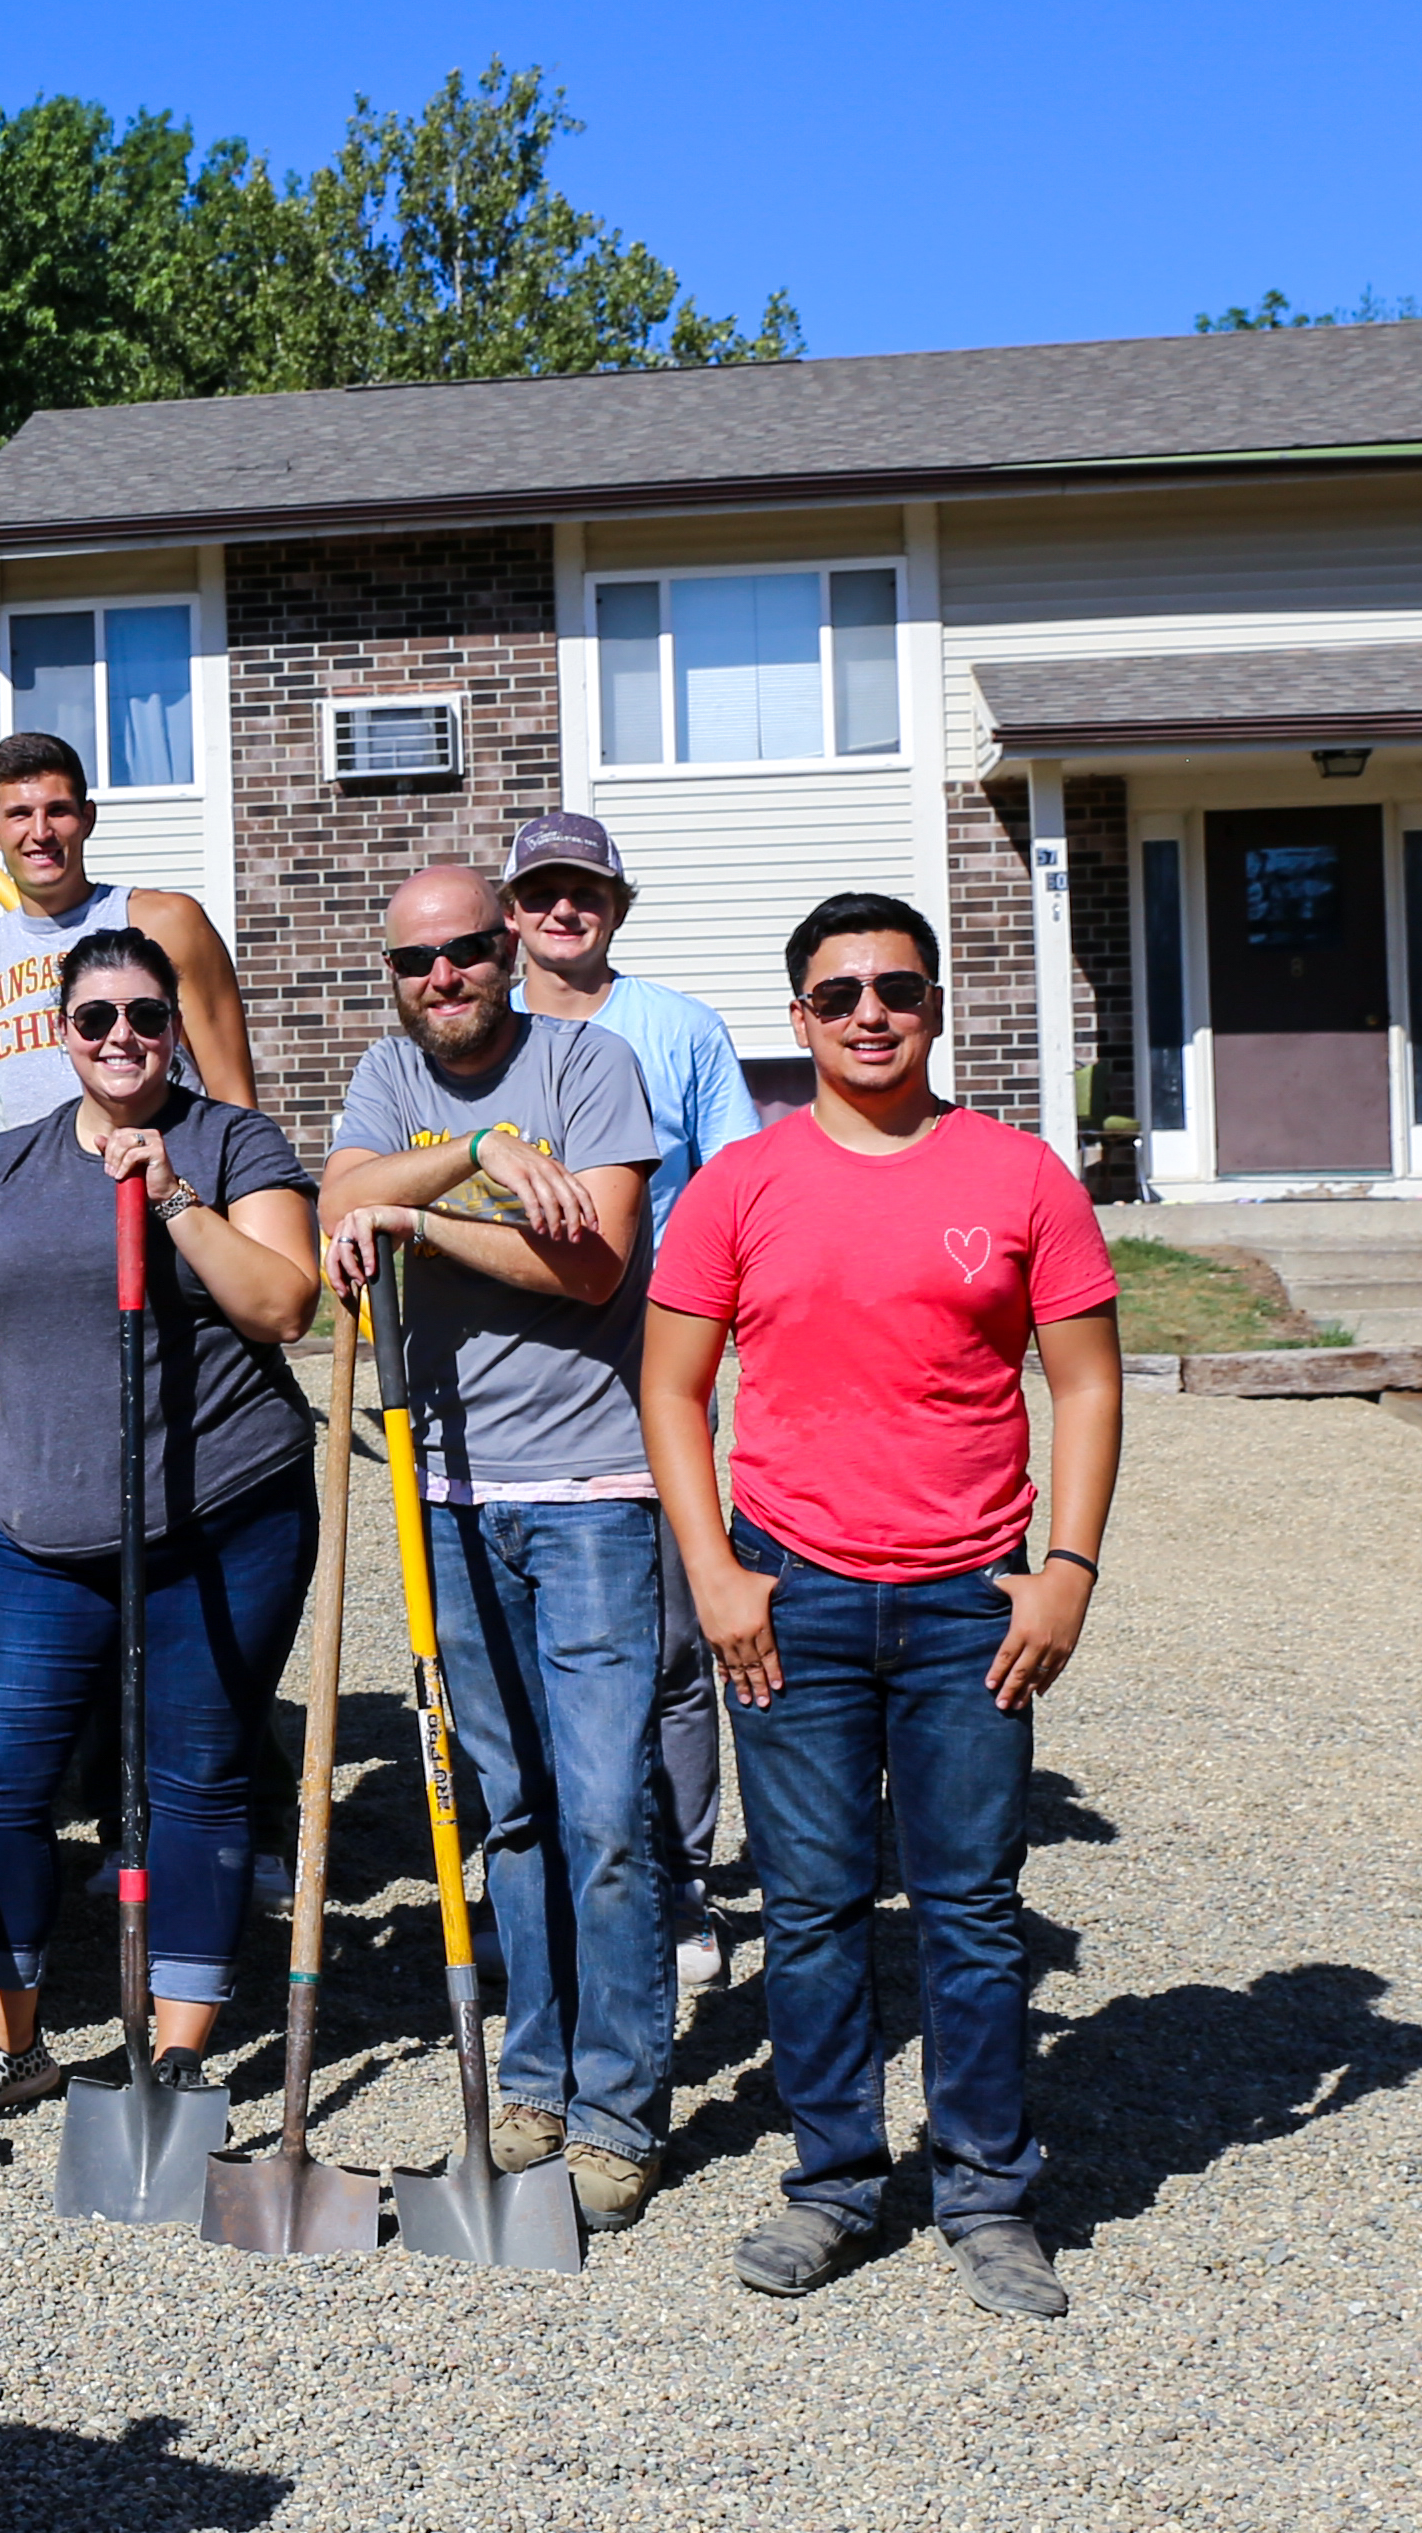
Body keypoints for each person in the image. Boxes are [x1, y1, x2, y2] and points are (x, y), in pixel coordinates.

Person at [640, 892, 1124, 2320]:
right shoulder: (743, 1184)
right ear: (800, 1017)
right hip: (792, 1591)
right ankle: (835, 2183)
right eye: (838, 991)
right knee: (812, 1907)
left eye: (895, 988)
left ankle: (985, 2193)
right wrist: (717, 1572)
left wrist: (1070, 1570)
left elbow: (1084, 1383)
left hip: (976, 1598)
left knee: (971, 1909)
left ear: (932, 1004)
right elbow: (671, 1389)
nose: (869, 1012)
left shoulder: (1020, 1174)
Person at [0, 925, 320, 2113]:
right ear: (58, 1036)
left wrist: (170, 1193)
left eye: (143, 1017)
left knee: (194, 1777)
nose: (120, 1037)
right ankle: (9, 2039)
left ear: (174, 1029)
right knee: (2, 1776)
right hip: (41, 1524)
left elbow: (282, 1304)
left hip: (223, 1517)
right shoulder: (8, 1165)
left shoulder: (234, 1142)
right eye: (94, 1019)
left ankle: (176, 2052)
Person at [319, 861, 670, 2227]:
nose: (443, 979)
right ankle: (533, 2077)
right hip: (444, 1491)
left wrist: (417, 1218)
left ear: (509, 946)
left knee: (608, 1816)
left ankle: (621, 2110)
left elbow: (597, 1262)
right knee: (508, 1808)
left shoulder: (591, 1064)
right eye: (415, 963)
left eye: (464, 951)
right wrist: (472, 1160)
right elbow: (340, 1189)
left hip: (587, 1492)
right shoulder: (387, 1081)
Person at [500, 809, 769, 1986]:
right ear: (511, 914)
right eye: (543, 893)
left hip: (650, 1367)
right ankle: (555, 1878)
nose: (566, 910)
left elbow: (741, 1190)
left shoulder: (679, 1031)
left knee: (663, 1646)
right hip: (501, 1382)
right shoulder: (474, 1037)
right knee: (513, 1654)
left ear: (619, 905)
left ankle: (675, 1877)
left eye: (587, 891)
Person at [0, 732, 257, 1124]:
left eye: (58, 811)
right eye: (19, 814)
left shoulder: (167, 923)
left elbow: (237, 1105)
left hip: (163, 1178)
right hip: (27, 1184)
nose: (40, 832)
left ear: (87, 818)